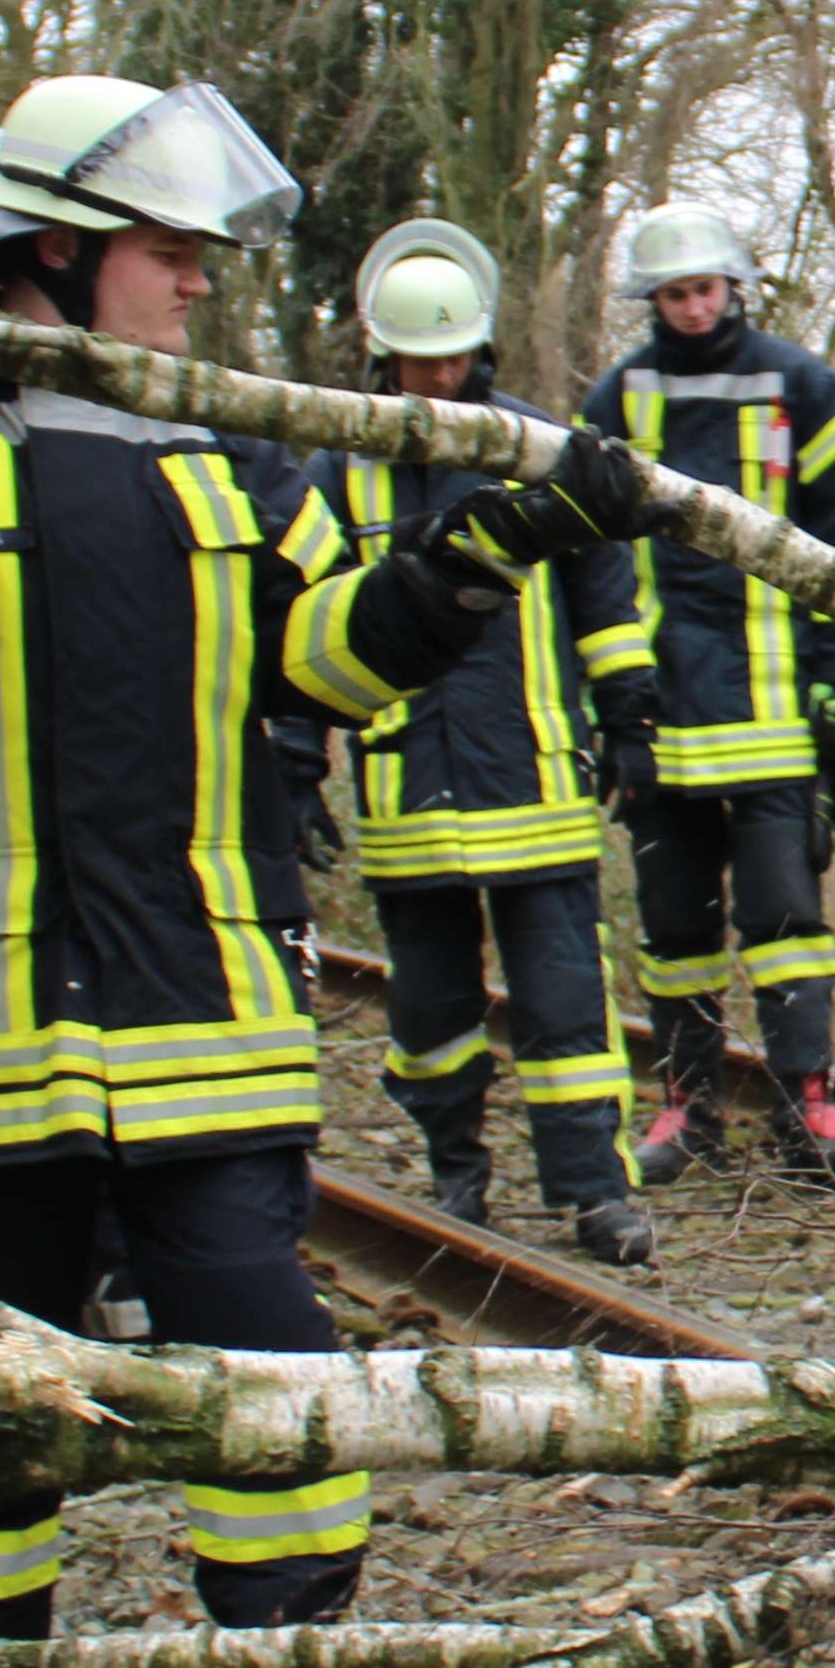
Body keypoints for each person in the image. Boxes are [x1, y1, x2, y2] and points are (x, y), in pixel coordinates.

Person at [0, 78, 659, 1668]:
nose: (202, 288)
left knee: (266, 1368)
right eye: (174, 256)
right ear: (59, 262)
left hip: (202, 1022)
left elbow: (317, 665)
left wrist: (486, 552)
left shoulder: (238, 460)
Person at [307, 218, 653, 1262]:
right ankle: (456, 1173)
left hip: (535, 779)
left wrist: (629, 712)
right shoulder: (340, 466)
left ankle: (597, 1194)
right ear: (383, 354)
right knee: (429, 1011)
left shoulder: (538, 450)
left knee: (565, 1010)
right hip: (408, 785)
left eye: (452, 356)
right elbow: (303, 621)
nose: (437, 376)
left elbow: (602, 592)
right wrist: (291, 762)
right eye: (418, 360)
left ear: (481, 346)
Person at [584, 205, 835, 1190]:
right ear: (652, 300)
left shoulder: (803, 386)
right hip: (660, 724)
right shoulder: (618, 400)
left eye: (706, 288)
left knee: (790, 925)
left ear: (735, 284)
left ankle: (810, 1104)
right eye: (673, 294)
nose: (692, 307)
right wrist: (610, 704)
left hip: (775, 722)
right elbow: (582, 563)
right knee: (674, 934)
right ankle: (687, 1106)